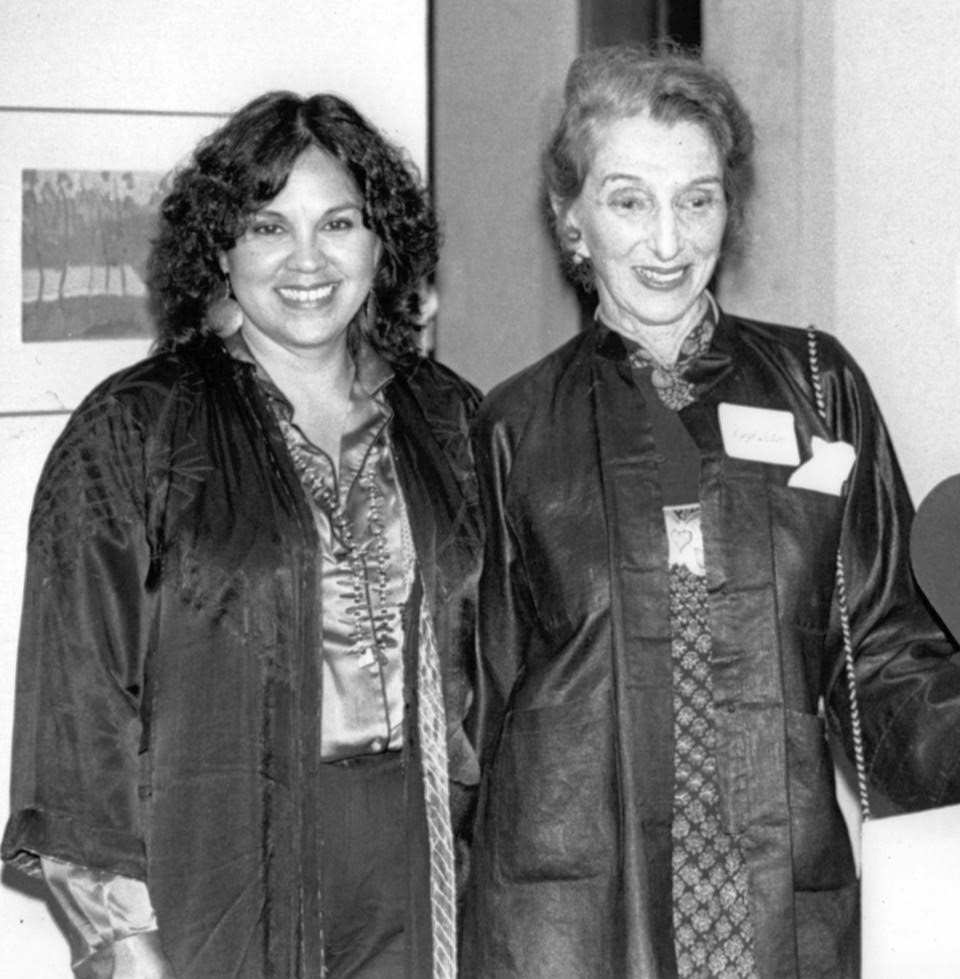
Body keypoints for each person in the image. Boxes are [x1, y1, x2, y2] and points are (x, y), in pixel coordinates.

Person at [460, 45, 960, 979]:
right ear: (572, 220)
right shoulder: (512, 429)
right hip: (570, 917)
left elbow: (886, 651)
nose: (667, 242)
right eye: (628, 201)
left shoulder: (820, 390)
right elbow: (468, 713)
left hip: (777, 904)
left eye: (697, 200)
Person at [2, 91, 481, 979]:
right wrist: (125, 941)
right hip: (219, 873)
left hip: (426, 868)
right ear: (221, 248)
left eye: (338, 222)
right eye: (268, 227)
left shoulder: (448, 418)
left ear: (381, 242)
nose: (308, 260)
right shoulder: (135, 431)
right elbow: (79, 712)